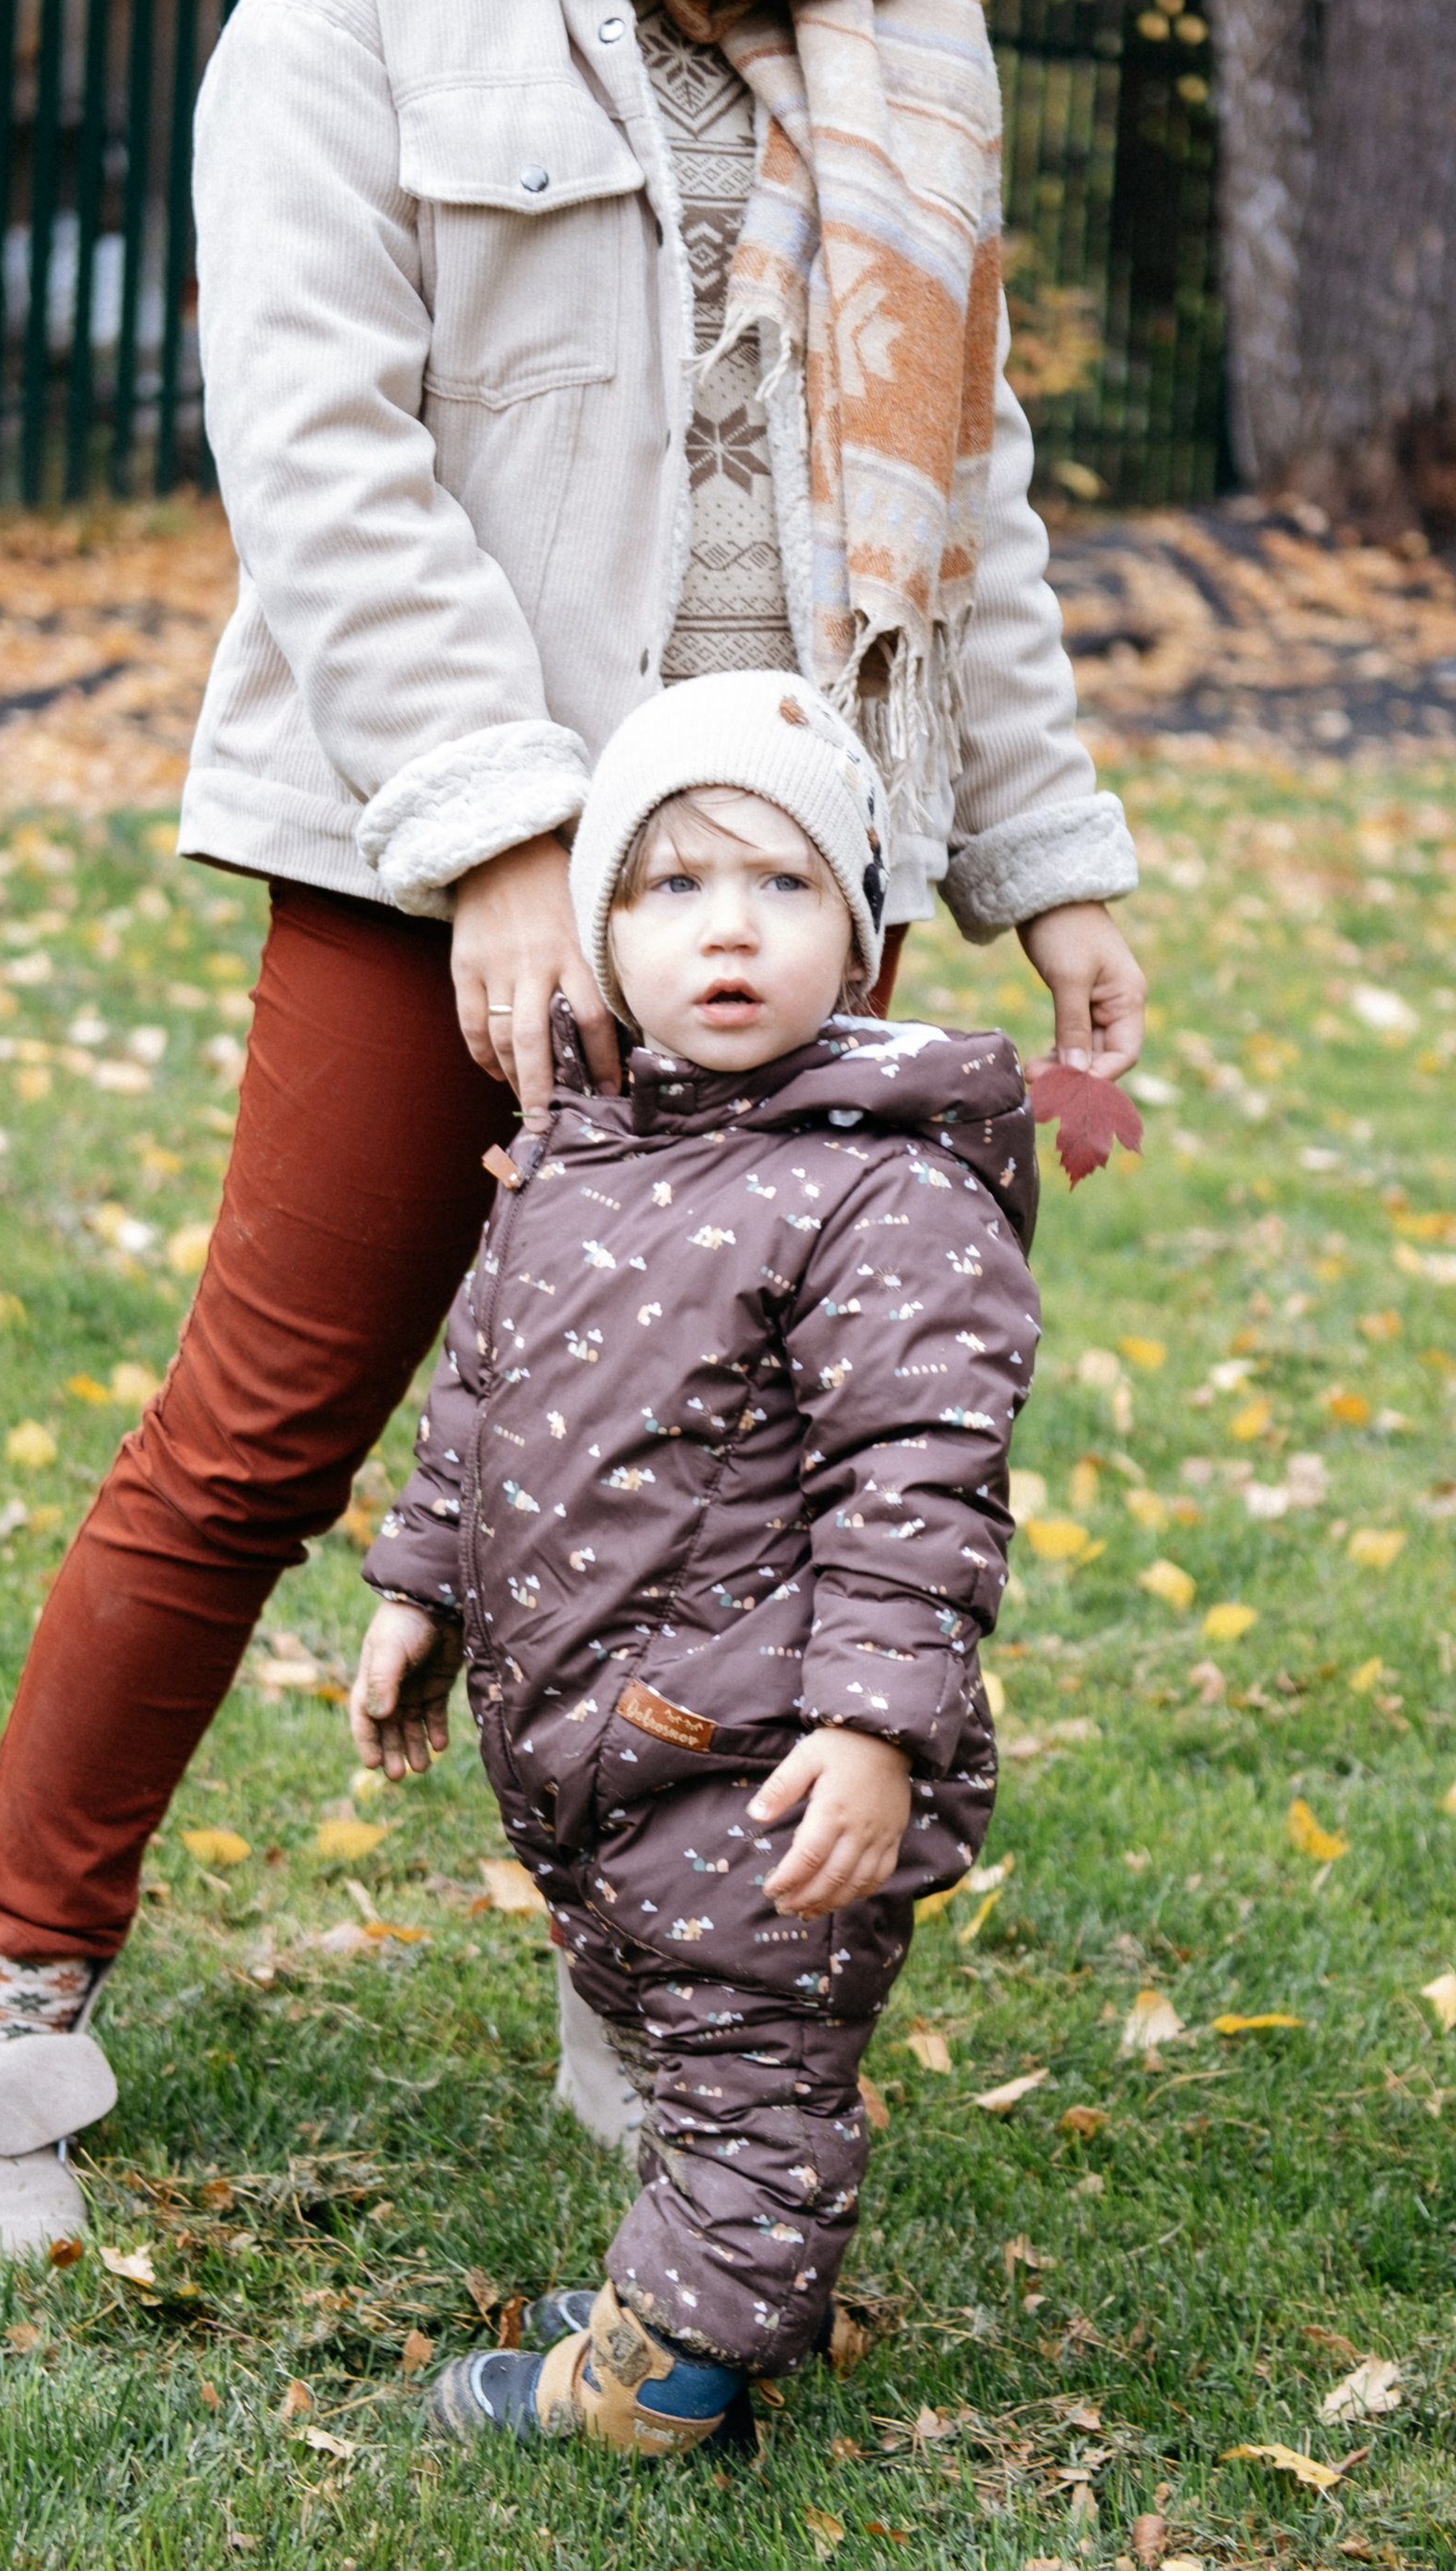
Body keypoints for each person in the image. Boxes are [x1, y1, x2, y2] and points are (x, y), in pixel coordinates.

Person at [0, 0, 1144, 2258]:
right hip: (440, 869)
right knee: (271, 1432)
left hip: (794, 888)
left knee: (753, 1463)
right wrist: (487, 830)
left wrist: (1050, 858)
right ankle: (5, 1994)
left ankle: (675, 1981)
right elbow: (310, 429)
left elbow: (962, 465)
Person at [350, 673, 1035, 2452]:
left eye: (784, 884)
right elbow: (480, 1381)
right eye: (671, 887)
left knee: (749, 2055)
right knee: (681, 2022)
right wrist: (419, 1588)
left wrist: (877, 1727)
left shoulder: (886, 1192)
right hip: (601, 1724)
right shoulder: (581, 1144)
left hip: (755, 1743)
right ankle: (710, 2276)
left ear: (863, 934)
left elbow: (920, 1485)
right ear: (600, 934)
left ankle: (667, 2377)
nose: (727, 927)